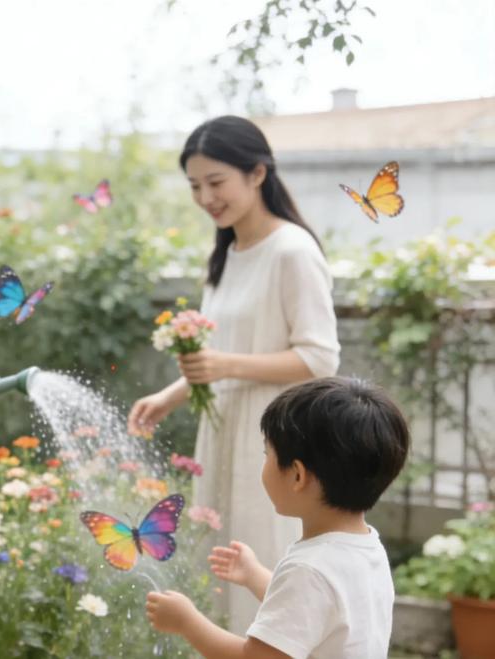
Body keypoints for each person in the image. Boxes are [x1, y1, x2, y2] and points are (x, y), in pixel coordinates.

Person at [127, 115, 340, 631]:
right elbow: (222, 353)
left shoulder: (292, 251)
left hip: (274, 446)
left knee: (263, 563)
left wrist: (222, 365)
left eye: (216, 182)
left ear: (258, 173)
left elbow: (320, 358)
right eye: (195, 186)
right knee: (217, 562)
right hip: (222, 437)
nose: (205, 197)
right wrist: (173, 394)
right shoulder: (227, 254)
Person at [146, 376, 410, 658]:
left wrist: (188, 622)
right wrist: (255, 576)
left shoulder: (309, 570)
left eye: (266, 453)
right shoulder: (367, 548)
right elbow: (313, 610)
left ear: (297, 475)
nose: (264, 462)